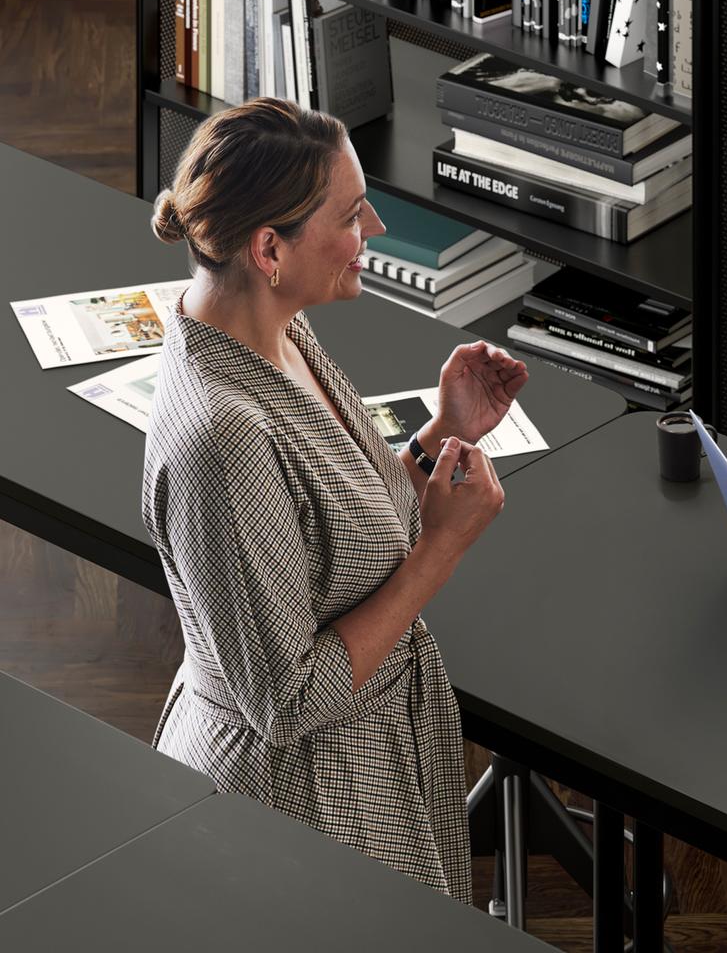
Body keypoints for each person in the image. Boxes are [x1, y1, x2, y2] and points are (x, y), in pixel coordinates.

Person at [143, 98, 529, 903]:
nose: (376, 231)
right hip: (300, 804)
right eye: (352, 216)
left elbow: (324, 526)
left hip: (357, 762)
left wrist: (439, 437)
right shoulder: (224, 437)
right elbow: (286, 702)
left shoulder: (273, 330)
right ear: (269, 248)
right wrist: (440, 551)